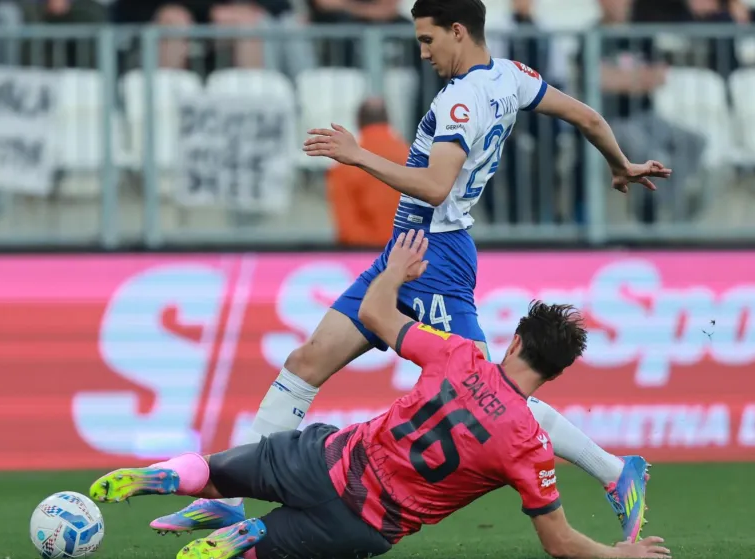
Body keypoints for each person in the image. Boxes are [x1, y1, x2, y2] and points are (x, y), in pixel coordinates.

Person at [151, 0, 672, 542]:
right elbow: (588, 117)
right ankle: (228, 501)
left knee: (487, 396)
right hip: (406, 249)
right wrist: (620, 164)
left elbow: (434, 186)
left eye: (428, 40)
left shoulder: (462, 101)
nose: (423, 52)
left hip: (436, 257)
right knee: (307, 360)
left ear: (457, 31)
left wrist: (357, 156)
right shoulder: (512, 75)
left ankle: (614, 470)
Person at [89, 230, 671, 559]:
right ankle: (248, 538)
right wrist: (618, 555)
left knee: (214, 471)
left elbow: (373, 313)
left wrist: (395, 272)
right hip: (362, 525)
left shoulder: (458, 355)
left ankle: (166, 475)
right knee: (270, 549)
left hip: (321, 460)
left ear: (514, 340)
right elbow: (560, 543)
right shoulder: (529, 447)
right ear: (556, 374)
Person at [326, 97, 408, 248]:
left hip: (365, 254)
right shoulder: (413, 158)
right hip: (410, 251)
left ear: (358, 121)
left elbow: (347, 228)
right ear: (388, 120)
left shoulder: (343, 167)